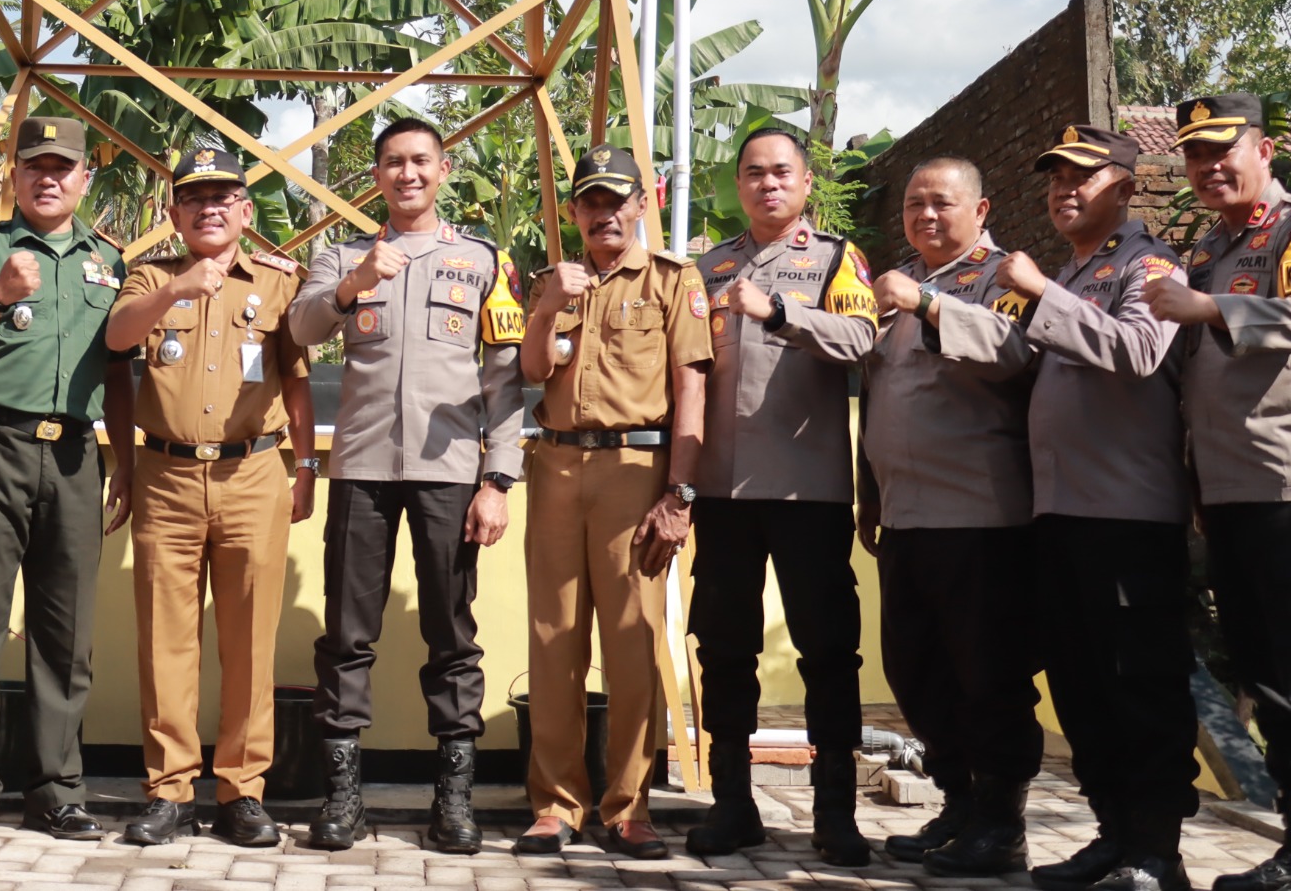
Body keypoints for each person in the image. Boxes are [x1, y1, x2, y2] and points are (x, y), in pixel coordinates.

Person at [940, 126, 1197, 891]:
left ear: (1125, 184)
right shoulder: (1075, 269)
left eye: (1082, 177)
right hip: (1059, 514)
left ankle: (1156, 852)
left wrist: (1041, 295)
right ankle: (1113, 837)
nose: (1063, 190)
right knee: (1082, 689)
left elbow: (1140, 352)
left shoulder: (1147, 265)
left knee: (1138, 686)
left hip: (1127, 517)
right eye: (1055, 178)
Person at [1144, 95, 1291, 891]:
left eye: (1222, 151)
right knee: (1267, 679)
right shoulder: (1211, 245)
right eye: (1194, 157)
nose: (1208, 168)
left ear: (1265, 149)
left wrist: (1207, 307)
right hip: (1232, 496)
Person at [289, 115, 526, 853]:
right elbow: (300, 329)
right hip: (360, 470)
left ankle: (453, 801)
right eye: (393, 163)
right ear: (376, 175)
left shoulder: (484, 261)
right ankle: (342, 798)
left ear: (444, 168)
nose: (407, 174)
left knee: (451, 635)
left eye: (421, 161)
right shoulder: (341, 255)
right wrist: (356, 283)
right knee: (347, 637)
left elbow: (505, 378)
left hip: (450, 475)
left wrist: (499, 478)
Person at [0, 114, 135, 845]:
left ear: (84, 179)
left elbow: (121, 370)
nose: (49, 178)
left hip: (76, 452)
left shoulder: (108, 262)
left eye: (63, 168)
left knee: (66, 631)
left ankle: (57, 788)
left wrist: (128, 467)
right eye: (35, 166)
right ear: (14, 176)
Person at [107, 147, 318, 848]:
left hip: (253, 473)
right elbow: (116, 338)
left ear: (246, 212)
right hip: (165, 474)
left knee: (250, 639)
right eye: (195, 198)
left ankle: (241, 790)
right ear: (174, 214)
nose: (211, 208)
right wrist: (176, 291)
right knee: (167, 642)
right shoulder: (150, 275)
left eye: (225, 197)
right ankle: (169, 790)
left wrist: (307, 464)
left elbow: (295, 379)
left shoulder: (280, 283)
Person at [685, 126, 877, 866]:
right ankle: (732, 803)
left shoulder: (835, 259)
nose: (768, 185)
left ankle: (836, 812)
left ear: (804, 183)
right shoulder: (709, 268)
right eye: (754, 174)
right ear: (738, 186)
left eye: (781, 173)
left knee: (829, 651)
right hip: (724, 493)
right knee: (724, 647)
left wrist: (781, 314)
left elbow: (865, 340)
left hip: (808, 490)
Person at [513, 147, 711, 861]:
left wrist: (680, 494)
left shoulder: (670, 282)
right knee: (552, 640)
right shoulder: (551, 282)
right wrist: (546, 307)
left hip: (637, 467)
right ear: (574, 213)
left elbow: (692, 389)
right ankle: (556, 804)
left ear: (639, 205)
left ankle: (629, 806)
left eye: (616, 200)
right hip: (557, 464)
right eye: (590, 202)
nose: (604, 214)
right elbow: (533, 371)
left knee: (632, 644)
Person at [863, 157, 1042, 875]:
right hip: (906, 515)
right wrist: (867, 491)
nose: (925, 216)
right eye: (914, 205)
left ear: (982, 207)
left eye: (942, 203)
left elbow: (1016, 355)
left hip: (980, 515)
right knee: (917, 671)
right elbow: (879, 397)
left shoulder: (1003, 278)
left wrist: (928, 307)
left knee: (987, 676)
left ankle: (1002, 824)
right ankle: (959, 804)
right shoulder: (901, 283)